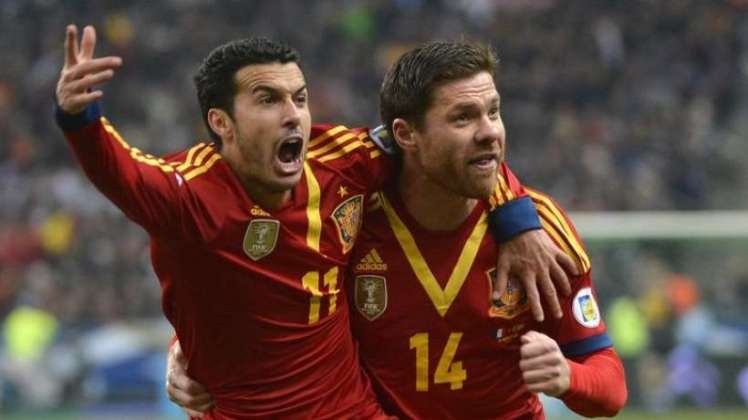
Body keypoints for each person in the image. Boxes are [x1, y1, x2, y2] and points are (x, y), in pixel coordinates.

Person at [54, 25, 573, 418]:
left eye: (299, 99)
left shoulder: (342, 161)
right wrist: (79, 118)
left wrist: (516, 214)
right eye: (268, 100)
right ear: (221, 123)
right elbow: (118, 171)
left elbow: (454, 145)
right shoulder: (186, 194)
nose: (293, 115)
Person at [167, 41, 628, 418]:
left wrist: (569, 378)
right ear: (405, 134)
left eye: (494, 111)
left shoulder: (540, 232)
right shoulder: (348, 216)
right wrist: (185, 348)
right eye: (463, 118)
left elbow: (610, 384)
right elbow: (251, 290)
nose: (490, 132)